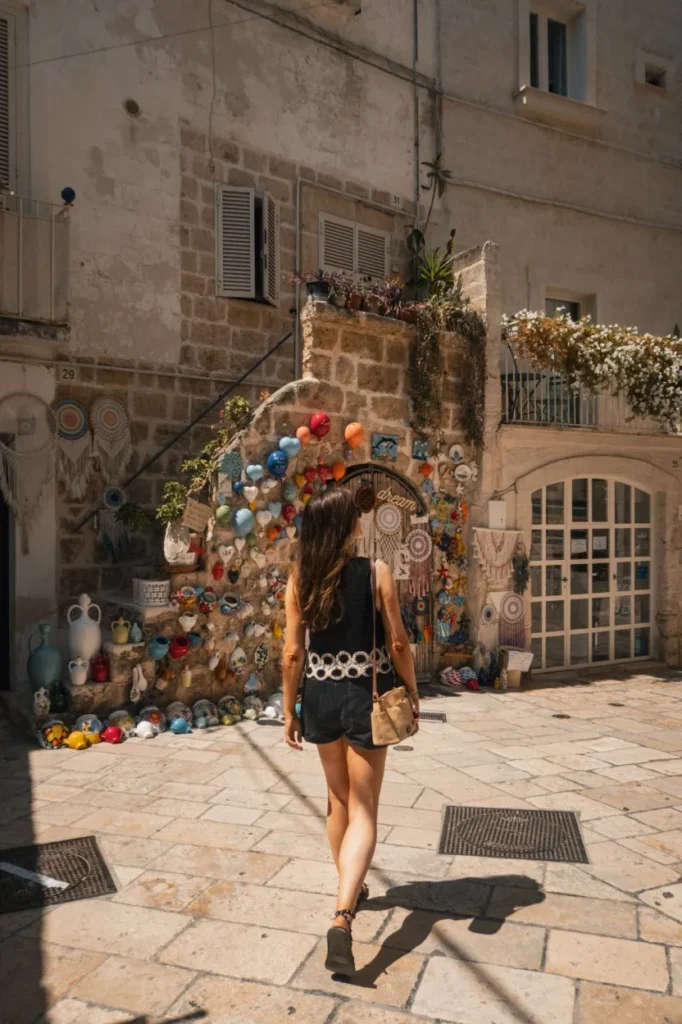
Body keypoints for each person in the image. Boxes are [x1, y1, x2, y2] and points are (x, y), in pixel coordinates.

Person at [283, 487, 420, 975]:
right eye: (355, 518)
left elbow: (293, 654)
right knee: (363, 809)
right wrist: (412, 689)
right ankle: (342, 918)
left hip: (318, 696)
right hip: (365, 694)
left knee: (337, 801)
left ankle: (349, 883)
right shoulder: (375, 572)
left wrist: (288, 710)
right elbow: (399, 641)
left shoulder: (300, 579)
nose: (361, 524)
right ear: (345, 527)